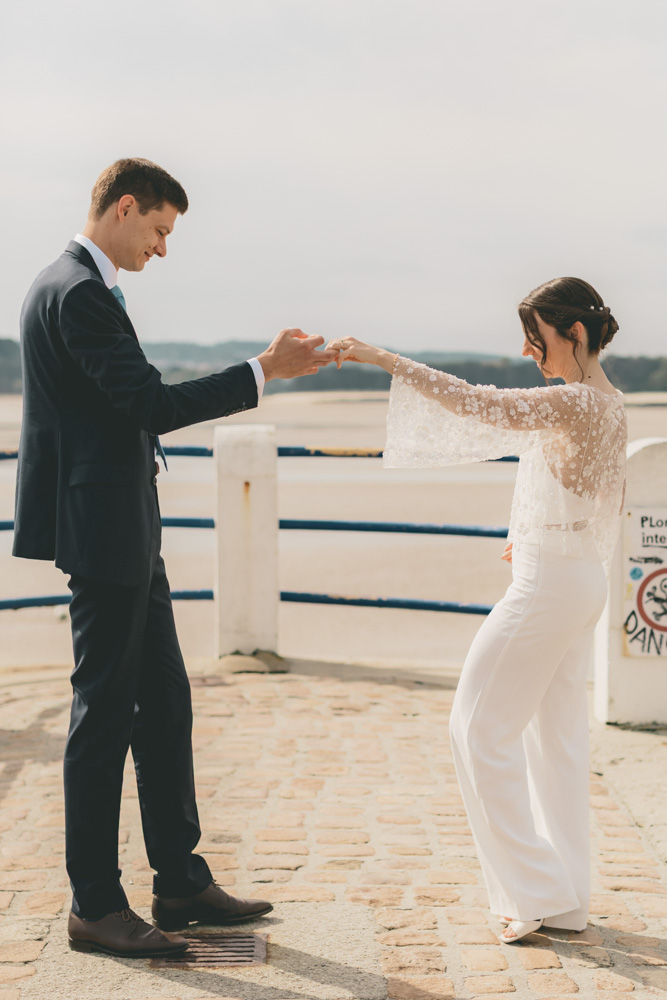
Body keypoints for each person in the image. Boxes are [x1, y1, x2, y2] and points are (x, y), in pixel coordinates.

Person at [13, 157, 338, 958]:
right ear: (125, 208)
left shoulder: (72, 285)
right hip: (105, 532)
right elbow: (152, 403)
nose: (162, 248)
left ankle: (180, 882)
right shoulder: (77, 292)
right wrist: (265, 372)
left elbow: (117, 410)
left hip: (124, 524)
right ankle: (94, 903)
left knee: (163, 703)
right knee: (102, 715)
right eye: (159, 229)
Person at [329, 276, 627, 944]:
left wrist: (381, 358)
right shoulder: (610, 404)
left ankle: (532, 890)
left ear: (573, 334)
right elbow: (596, 498)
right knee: (556, 745)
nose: (529, 353)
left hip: (549, 587)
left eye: (537, 339)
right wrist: (530, 539)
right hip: (577, 580)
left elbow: (476, 403)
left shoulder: (574, 402)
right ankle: (566, 900)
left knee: (474, 729)